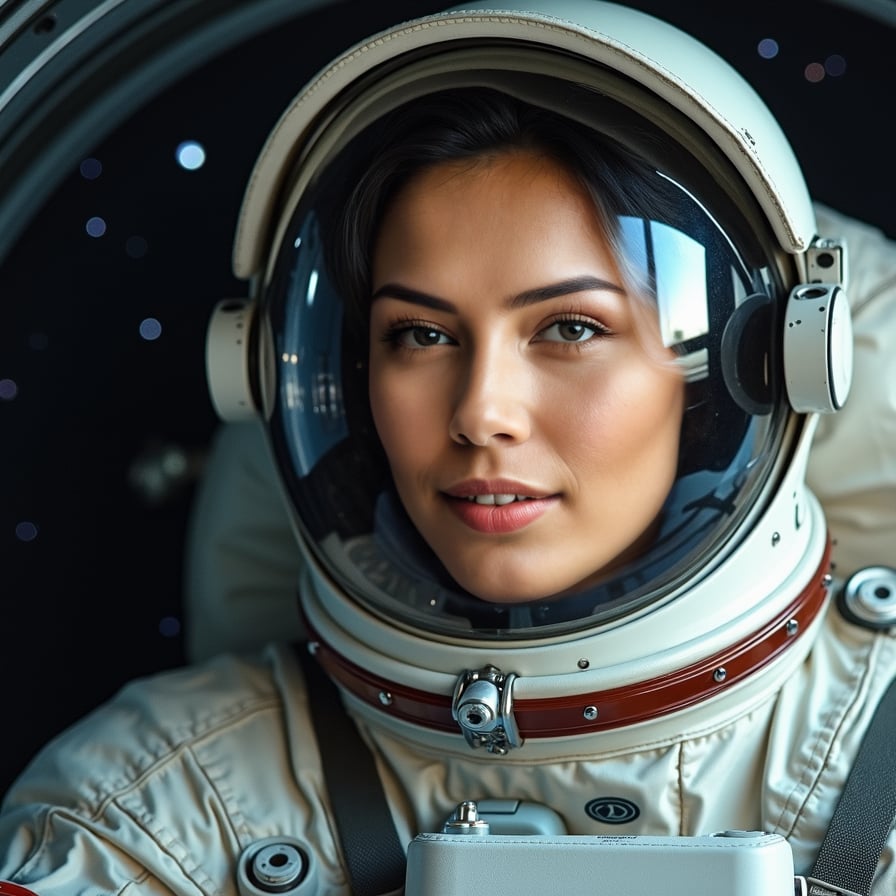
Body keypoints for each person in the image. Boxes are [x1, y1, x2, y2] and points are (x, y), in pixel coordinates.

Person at [2, 2, 895, 894]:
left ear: (749, 367)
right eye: (422, 336)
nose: (481, 413)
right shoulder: (147, 820)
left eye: (571, 327)